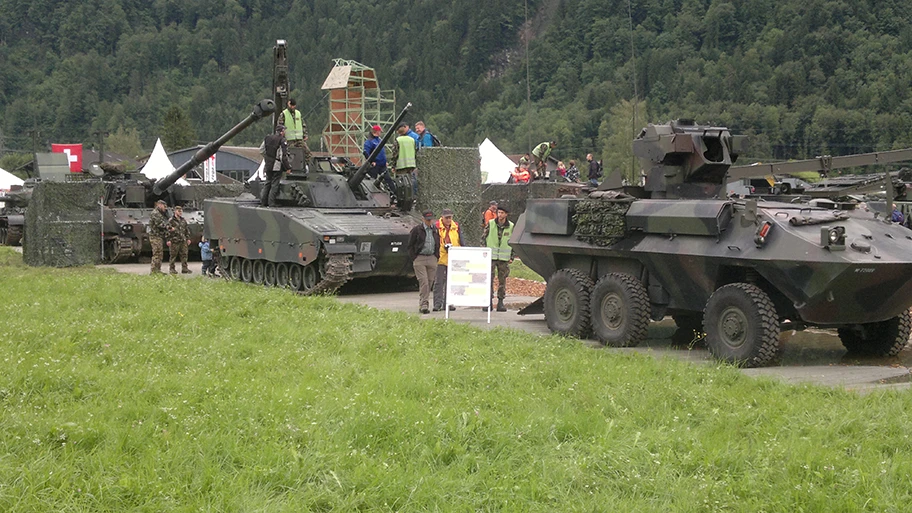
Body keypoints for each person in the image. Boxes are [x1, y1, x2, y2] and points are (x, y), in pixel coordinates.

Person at [408, 210, 441, 314]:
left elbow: (438, 243)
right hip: (420, 258)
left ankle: (424, 302)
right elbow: (410, 245)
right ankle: (424, 305)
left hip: (432, 258)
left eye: (431, 219)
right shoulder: (417, 230)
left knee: (430, 282)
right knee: (424, 283)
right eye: (427, 220)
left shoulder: (435, 230)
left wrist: (436, 256)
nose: (429, 221)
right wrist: (415, 257)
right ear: (423, 219)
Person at [483, 204, 514, 312]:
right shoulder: (491, 224)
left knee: (502, 281)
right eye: (498, 212)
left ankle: (500, 302)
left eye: (502, 213)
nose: (499, 215)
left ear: (506, 214)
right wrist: (484, 252)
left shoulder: (510, 226)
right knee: (489, 280)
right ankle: (488, 302)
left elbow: (513, 242)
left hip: (503, 259)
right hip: (491, 257)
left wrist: (512, 256)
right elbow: (484, 238)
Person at [433, 208, 462, 312]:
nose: (449, 220)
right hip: (440, 258)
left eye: (450, 217)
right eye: (447, 218)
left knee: (451, 282)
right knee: (439, 282)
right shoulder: (436, 227)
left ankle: (449, 303)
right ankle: (437, 304)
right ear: (442, 217)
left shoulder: (456, 227)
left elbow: (461, 240)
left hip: (453, 258)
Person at [260, 125, 291, 207]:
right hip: (276, 165)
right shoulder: (282, 140)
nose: (285, 132)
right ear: (281, 131)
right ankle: (271, 202)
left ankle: (263, 202)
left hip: (268, 164)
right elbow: (282, 156)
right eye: (284, 130)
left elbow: (261, 150)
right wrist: (287, 167)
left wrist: (267, 158)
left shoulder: (267, 138)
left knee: (267, 183)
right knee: (274, 184)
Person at [363, 124, 397, 199]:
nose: (380, 133)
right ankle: (372, 197)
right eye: (379, 131)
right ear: (376, 131)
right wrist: (371, 161)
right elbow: (366, 152)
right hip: (374, 165)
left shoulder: (380, 140)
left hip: (382, 164)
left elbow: (382, 152)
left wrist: (385, 161)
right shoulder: (369, 141)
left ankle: (395, 194)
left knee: (388, 179)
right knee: (373, 180)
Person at [389, 123, 419, 199]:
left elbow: (395, 154)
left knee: (401, 184)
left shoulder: (398, 140)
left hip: (401, 166)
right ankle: (412, 197)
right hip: (411, 165)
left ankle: (402, 198)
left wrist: (393, 165)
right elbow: (416, 151)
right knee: (410, 183)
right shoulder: (412, 139)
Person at [279, 99, 312, 165]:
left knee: (307, 153)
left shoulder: (298, 113)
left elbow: (303, 124)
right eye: (291, 105)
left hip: (299, 139)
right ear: (288, 104)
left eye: (293, 106)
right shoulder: (284, 114)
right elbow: (280, 125)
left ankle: (306, 166)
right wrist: (281, 135)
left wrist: (305, 134)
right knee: (291, 155)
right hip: (289, 139)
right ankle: (290, 167)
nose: (292, 107)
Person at [167, 206, 192, 274]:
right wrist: (168, 240)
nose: (180, 212)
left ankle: (185, 268)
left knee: (184, 254)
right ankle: (172, 269)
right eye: (179, 211)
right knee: (173, 255)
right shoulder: (171, 220)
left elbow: (186, 230)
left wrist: (188, 238)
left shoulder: (183, 220)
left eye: (181, 211)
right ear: (175, 211)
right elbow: (167, 231)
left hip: (183, 240)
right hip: (174, 240)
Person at [149, 199, 169, 274]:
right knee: (157, 253)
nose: (165, 208)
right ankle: (154, 270)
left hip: (159, 236)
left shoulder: (161, 213)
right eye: (164, 206)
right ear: (159, 205)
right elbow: (160, 224)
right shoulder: (156, 213)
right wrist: (168, 227)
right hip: (155, 236)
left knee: (160, 254)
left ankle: (158, 270)